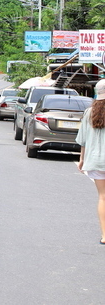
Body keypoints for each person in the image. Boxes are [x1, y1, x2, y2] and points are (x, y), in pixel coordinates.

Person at [76, 79, 105, 244]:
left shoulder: (89, 112)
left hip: (95, 161)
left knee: (103, 197)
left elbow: (83, 139)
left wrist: (81, 159)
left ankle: (104, 235)